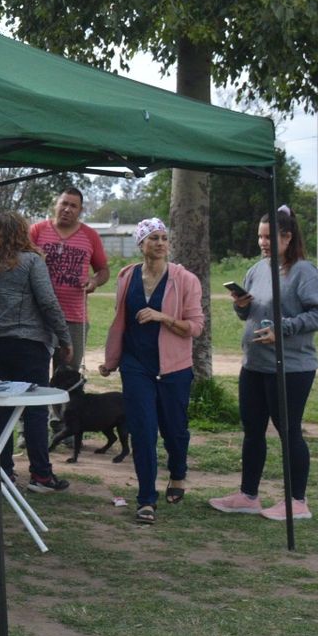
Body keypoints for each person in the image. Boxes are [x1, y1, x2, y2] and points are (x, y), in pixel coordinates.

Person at [209, 207, 318, 521]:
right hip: (254, 364)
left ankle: (297, 502)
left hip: (291, 367)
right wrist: (241, 307)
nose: (263, 242)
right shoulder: (258, 269)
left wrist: (285, 328)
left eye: (269, 237)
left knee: (288, 431)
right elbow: (251, 313)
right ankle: (248, 496)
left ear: (287, 237)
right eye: (260, 237)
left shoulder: (303, 272)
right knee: (252, 430)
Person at [99, 217, 204, 525]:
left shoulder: (185, 280)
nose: (160, 242)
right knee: (143, 432)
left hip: (174, 368)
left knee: (174, 430)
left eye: (163, 237)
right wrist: (112, 360)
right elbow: (121, 321)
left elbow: (196, 327)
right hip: (136, 367)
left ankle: (178, 473)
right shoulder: (126, 277)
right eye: (153, 238)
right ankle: (146, 499)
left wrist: (163, 317)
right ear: (141, 244)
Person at [0, 212, 73, 492]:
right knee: (35, 410)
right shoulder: (32, 262)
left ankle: (3, 472)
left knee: (0, 410)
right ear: (24, 233)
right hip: (30, 346)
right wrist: (64, 338)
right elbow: (48, 302)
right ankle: (41, 476)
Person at [30, 187, 110, 375]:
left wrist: (94, 282)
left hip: (74, 318)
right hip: (38, 316)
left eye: (73, 206)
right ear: (55, 205)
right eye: (64, 203)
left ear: (80, 210)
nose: (67, 209)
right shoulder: (37, 231)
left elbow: (104, 271)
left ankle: (62, 407)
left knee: (66, 377)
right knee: (34, 373)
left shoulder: (90, 236)